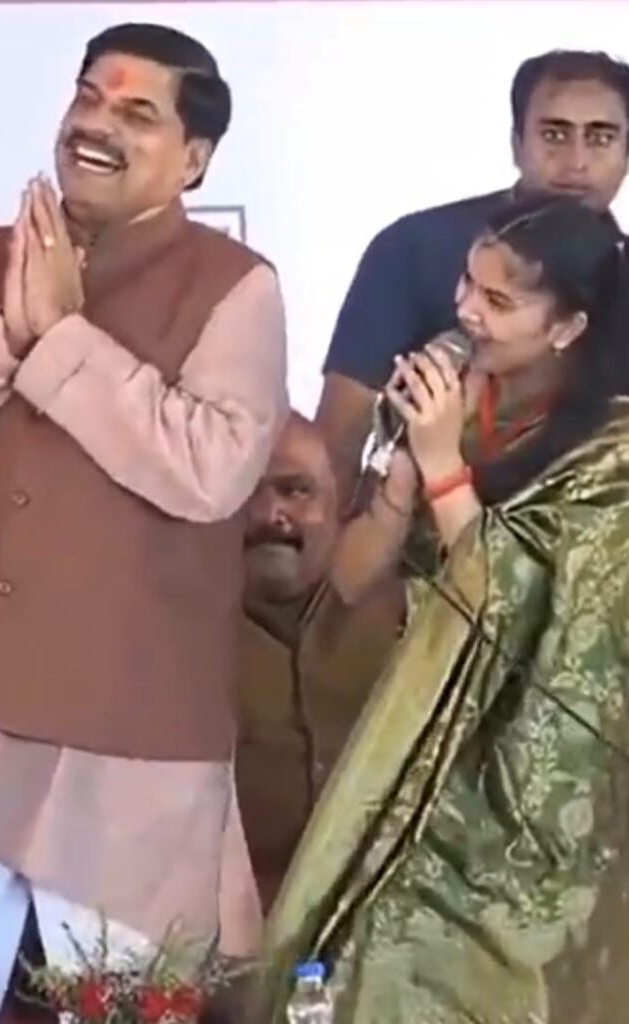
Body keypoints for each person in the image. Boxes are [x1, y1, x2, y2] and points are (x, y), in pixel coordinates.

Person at [0, 22, 287, 1024]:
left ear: (194, 160)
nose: (96, 124)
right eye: (89, 97)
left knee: (132, 1009)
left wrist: (62, 340)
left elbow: (213, 468)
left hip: (129, 742)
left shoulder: (236, 285)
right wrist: (6, 337)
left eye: (137, 112)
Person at [253, 195, 629, 1023]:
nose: (466, 311)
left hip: (520, 781)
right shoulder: (457, 403)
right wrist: (399, 474)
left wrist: (444, 469)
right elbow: (349, 581)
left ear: (568, 327)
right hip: (411, 728)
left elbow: (533, 628)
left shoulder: (612, 457)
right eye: (466, 283)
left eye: (499, 300)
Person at [317, 49, 629, 505]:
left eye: (601, 138)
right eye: (554, 134)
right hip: (416, 533)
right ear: (516, 144)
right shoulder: (417, 247)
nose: (576, 161)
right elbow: (338, 446)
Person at [237, 411, 405, 911]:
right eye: (245, 492)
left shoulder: (410, 622)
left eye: (296, 490)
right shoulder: (178, 647)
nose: (271, 513)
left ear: (340, 505)